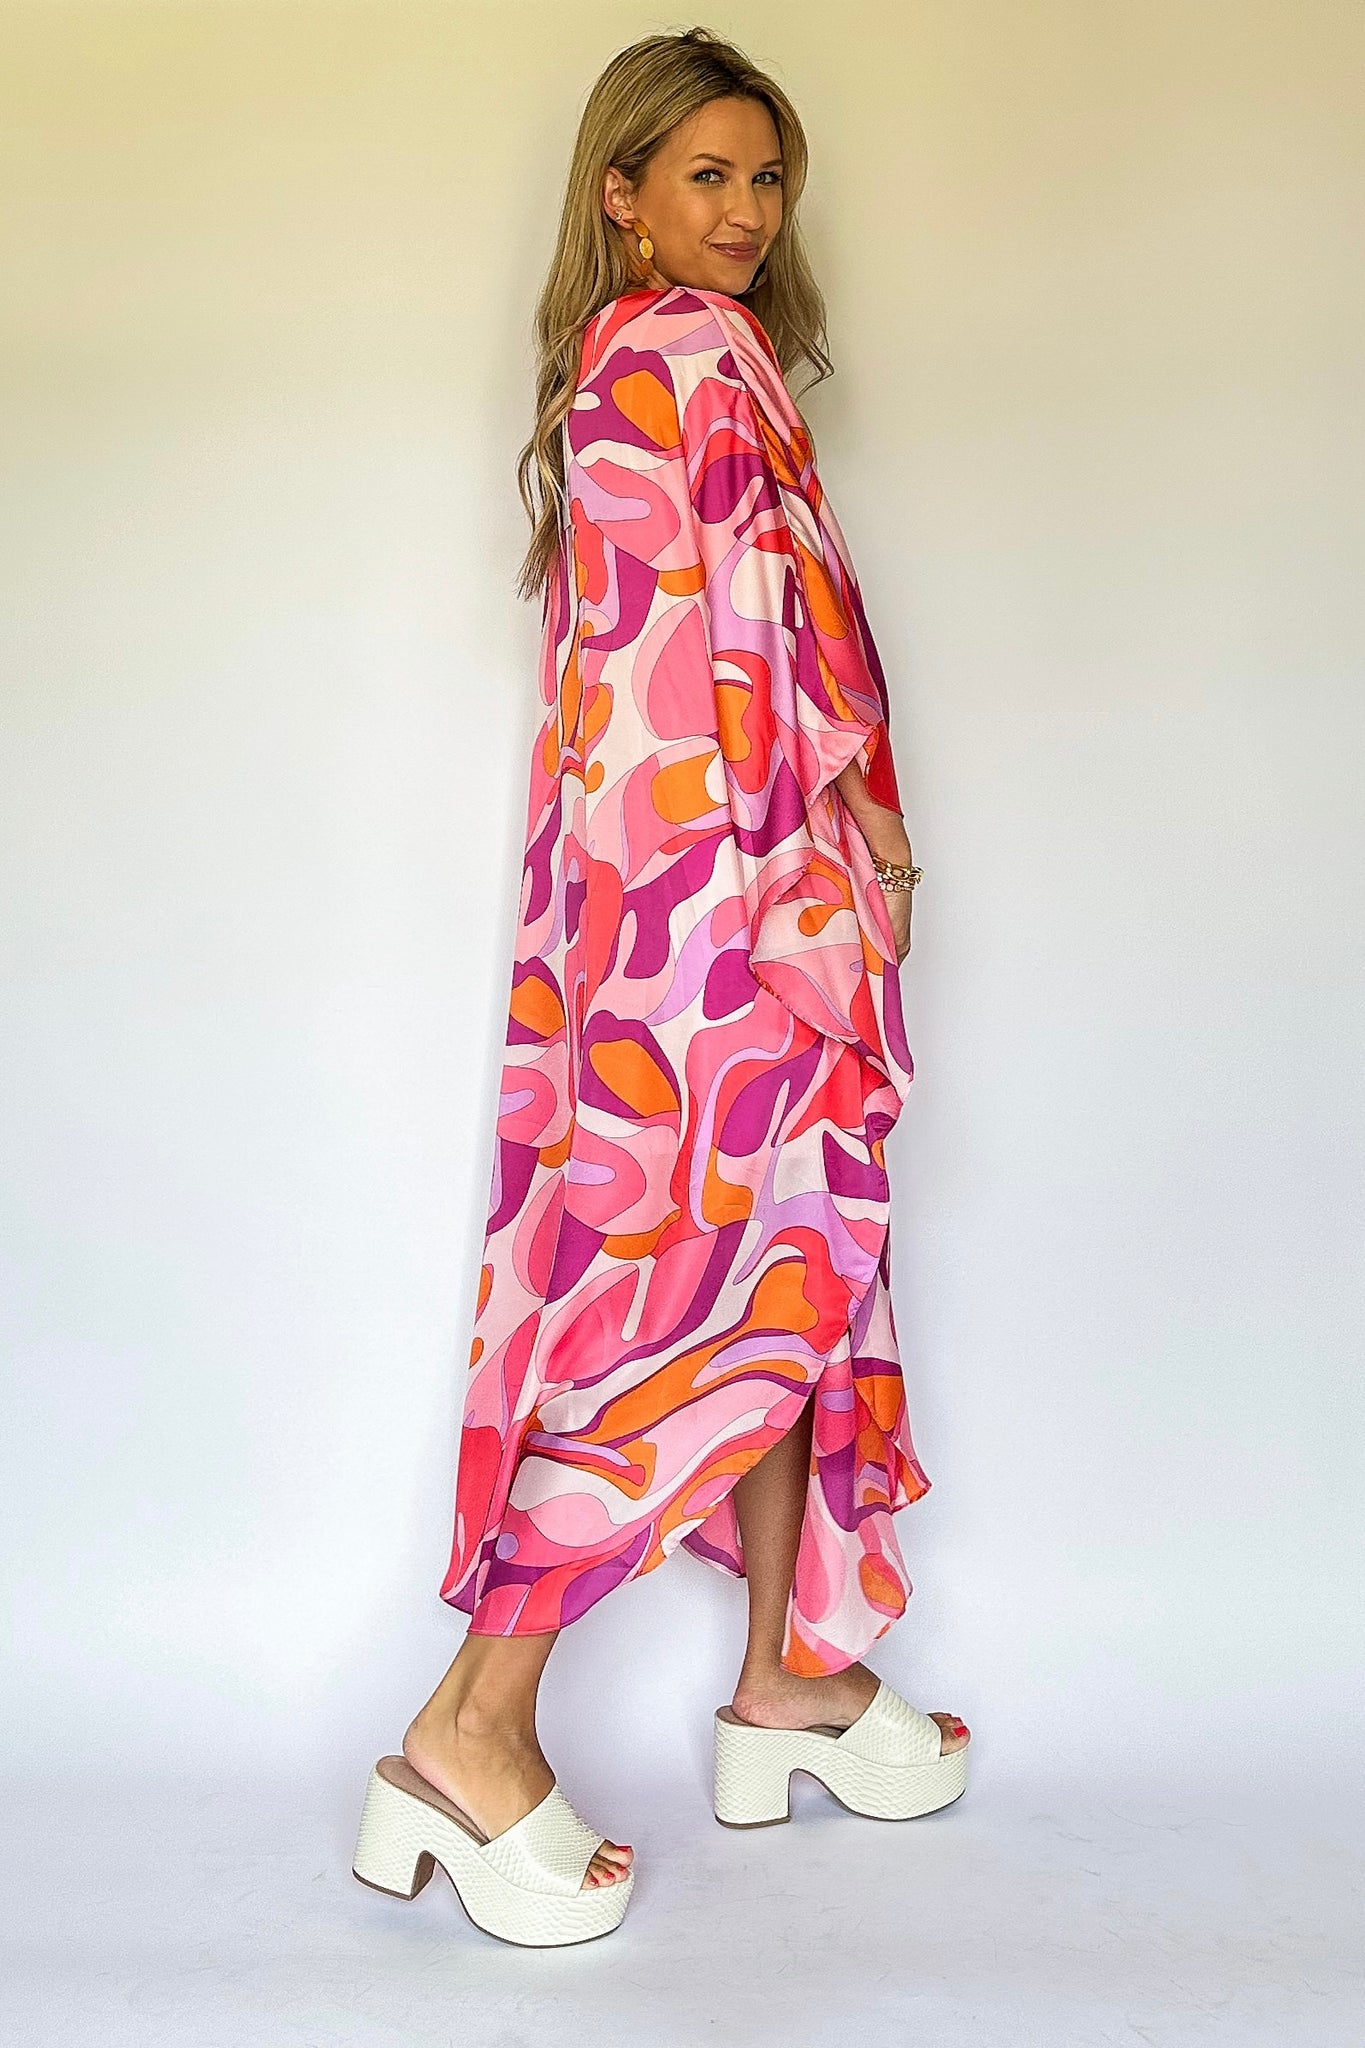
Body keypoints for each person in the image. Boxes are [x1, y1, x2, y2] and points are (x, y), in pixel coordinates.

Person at [351, 26, 970, 1947]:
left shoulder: (645, 364)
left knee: (776, 1266)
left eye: (766, 178)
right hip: (721, 918)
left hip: (667, 911)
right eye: (707, 174)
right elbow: (752, 667)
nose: (745, 210)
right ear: (620, 193)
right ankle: (465, 1734)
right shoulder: (685, 354)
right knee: (684, 1290)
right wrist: (855, 864)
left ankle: (786, 1676)